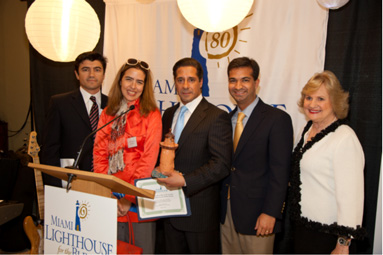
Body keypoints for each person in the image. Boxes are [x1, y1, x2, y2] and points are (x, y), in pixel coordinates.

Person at [157, 57, 232, 254]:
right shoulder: (168, 114)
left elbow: (221, 164)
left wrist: (185, 180)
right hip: (169, 210)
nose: (185, 85)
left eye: (191, 79)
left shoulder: (216, 116)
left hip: (199, 214)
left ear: (201, 82)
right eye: (180, 80)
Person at [220, 57, 294, 254]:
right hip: (226, 213)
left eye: (245, 80)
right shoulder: (226, 121)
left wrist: (271, 212)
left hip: (259, 216)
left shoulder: (277, 119)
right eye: (232, 80)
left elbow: (280, 173)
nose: (238, 86)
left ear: (256, 83)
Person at [289, 70, 365, 254]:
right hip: (302, 230)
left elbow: (351, 197)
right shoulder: (304, 130)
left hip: (328, 236)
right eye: (308, 97)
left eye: (321, 99)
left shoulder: (344, 138)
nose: (312, 104)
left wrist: (342, 243)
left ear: (335, 101)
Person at [93, 58, 162, 254]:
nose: (133, 86)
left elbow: (148, 161)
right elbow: (99, 155)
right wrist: (109, 195)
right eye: (128, 79)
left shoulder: (152, 114)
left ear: (145, 86)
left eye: (139, 82)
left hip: (137, 202)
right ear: (120, 81)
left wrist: (128, 198)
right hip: (110, 200)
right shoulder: (108, 113)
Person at [41, 51, 108, 187]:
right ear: (77, 74)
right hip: (70, 182)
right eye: (85, 70)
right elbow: (50, 150)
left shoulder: (114, 105)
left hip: (105, 182)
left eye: (97, 70)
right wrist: (55, 186)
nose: (91, 75)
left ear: (104, 75)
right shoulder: (60, 103)